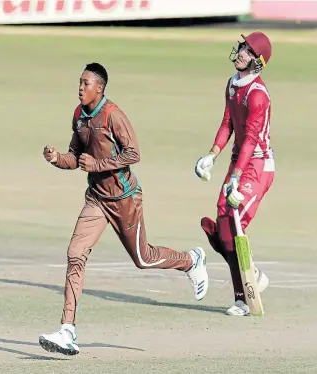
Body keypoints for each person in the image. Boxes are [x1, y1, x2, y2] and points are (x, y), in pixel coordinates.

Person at [39, 62, 209, 355]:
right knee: (75, 255)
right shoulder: (79, 116)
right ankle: (68, 330)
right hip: (96, 199)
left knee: (143, 258)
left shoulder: (113, 115)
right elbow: (76, 157)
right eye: (79, 82)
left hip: (125, 200)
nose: (80, 88)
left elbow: (134, 153)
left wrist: (98, 165)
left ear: (100, 88)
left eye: (86, 83)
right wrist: (57, 158)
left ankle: (190, 261)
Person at [195, 31, 274, 316]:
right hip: (237, 162)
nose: (241, 52)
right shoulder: (232, 85)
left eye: (248, 51)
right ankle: (243, 294)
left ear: (258, 62)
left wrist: (238, 176)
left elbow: (252, 138)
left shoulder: (258, 95)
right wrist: (212, 155)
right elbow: (228, 122)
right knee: (225, 230)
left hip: (258, 166)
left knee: (235, 219)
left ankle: (250, 280)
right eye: (242, 46)